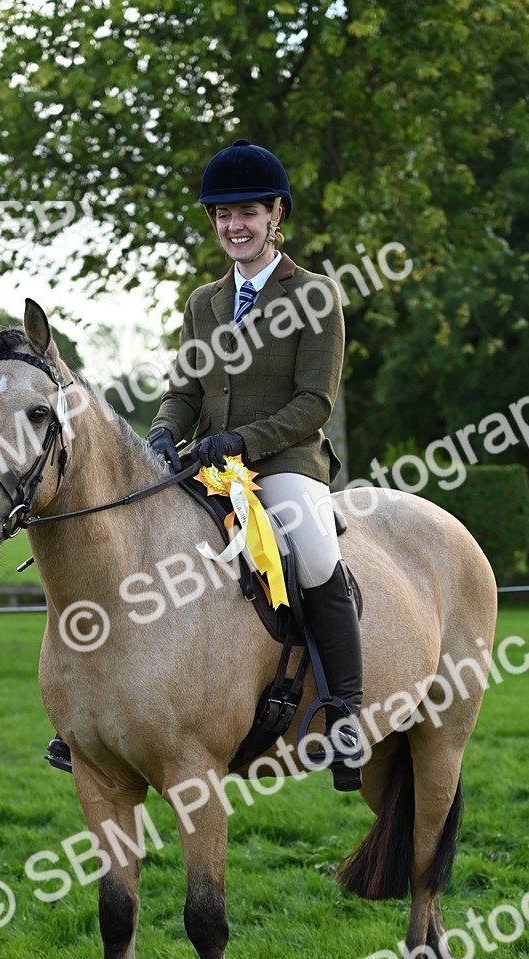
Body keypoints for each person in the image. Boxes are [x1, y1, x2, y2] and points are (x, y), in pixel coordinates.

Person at [146, 138, 364, 791]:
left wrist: (241, 440)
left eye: (248, 212)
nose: (234, 225)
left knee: (315, 555)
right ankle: (108, 714)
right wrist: (162, 434)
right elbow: (184, 391)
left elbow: (313, 403)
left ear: (276, 217)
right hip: (208, 463)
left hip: (287, 462)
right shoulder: (202, 304)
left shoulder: (317, 295)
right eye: (222, 214)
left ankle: (344, 717)